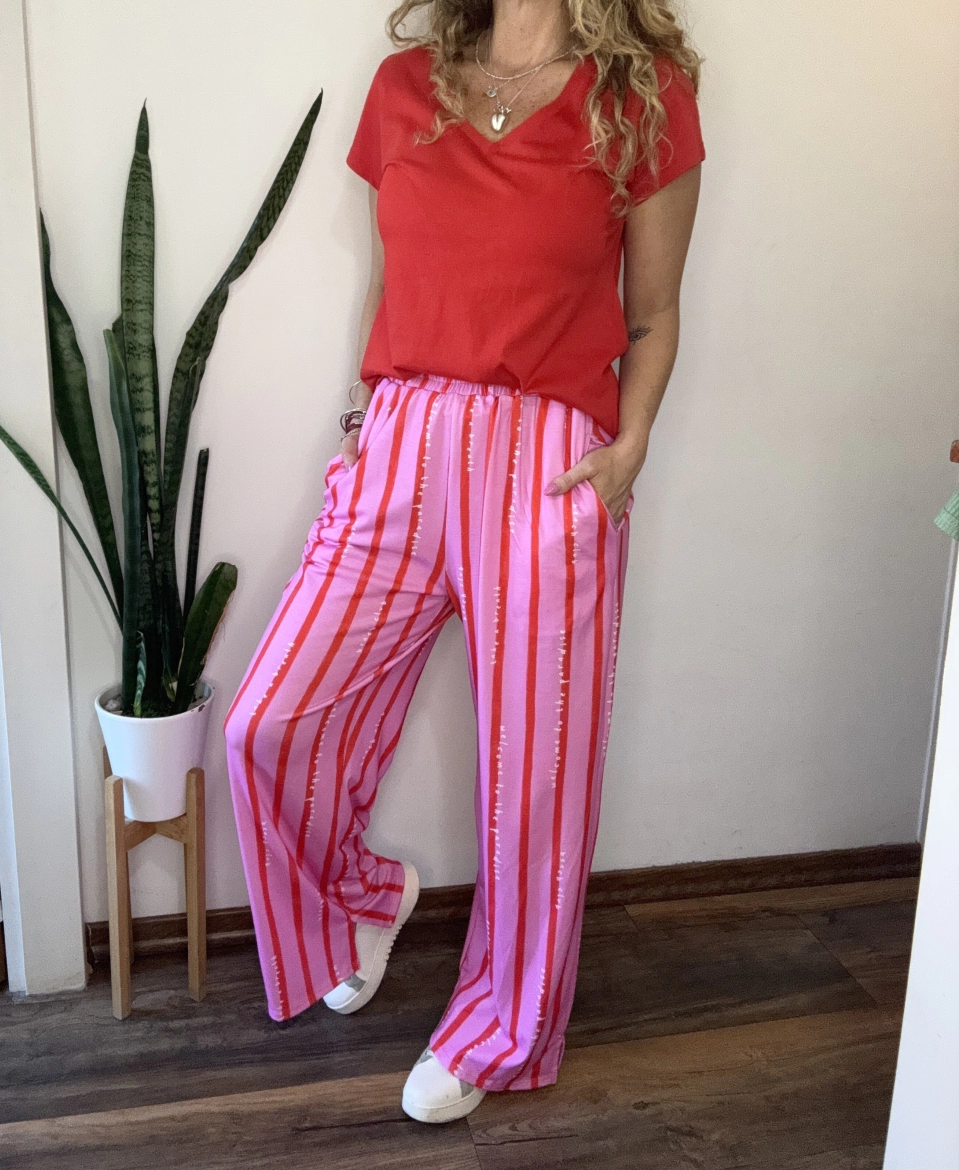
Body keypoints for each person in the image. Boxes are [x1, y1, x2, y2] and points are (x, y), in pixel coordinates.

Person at [224, 0, 704, 1125]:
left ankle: (505, 1027)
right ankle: (365, 896)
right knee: (266, 721)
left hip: (549, 460)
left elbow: (654, 310)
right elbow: (392, 277)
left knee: (537, 776)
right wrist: (364, 414)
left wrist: (629, 447)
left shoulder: (642, 98)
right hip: (401, 439)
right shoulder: (407, 89)